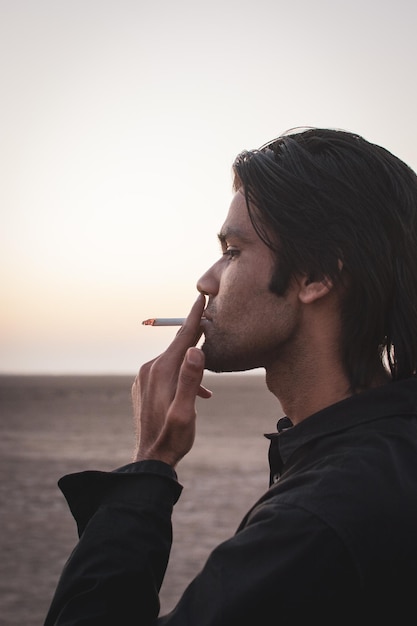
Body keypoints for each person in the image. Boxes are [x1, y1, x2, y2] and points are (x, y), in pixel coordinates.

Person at [44, 128, 417, 625]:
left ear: (317, 276)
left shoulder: (315, 522)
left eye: (232, 250)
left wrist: (150, 464)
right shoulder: (389, 452)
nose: (206, 281)